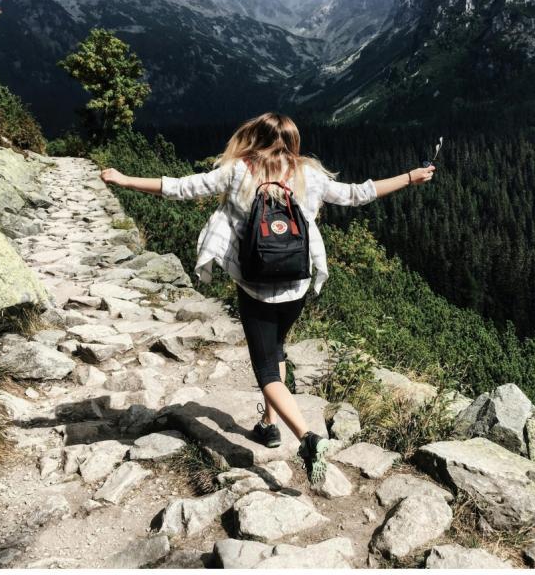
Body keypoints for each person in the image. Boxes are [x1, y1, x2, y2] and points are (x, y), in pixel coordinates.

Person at [100, 112, 435, 484]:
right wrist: (409, 177)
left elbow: (182, 187)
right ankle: (267, 424)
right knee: (277, 350)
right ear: (293, 141)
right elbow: (359, 194)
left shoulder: (237, 170)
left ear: (255, 138)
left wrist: (125, 179)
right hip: (296, 285)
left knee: (265, 368)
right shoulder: (309, 174)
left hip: (256, 287)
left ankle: (307, 439)